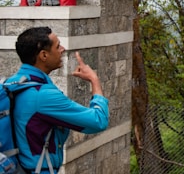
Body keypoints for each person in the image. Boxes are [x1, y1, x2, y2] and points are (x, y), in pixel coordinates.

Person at [5, 27, 109, 173]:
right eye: (57, 46)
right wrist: (94, 80)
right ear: (44, 55)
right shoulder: (43, 96)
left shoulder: (12, 83)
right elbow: (99, 121)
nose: (63, 49)